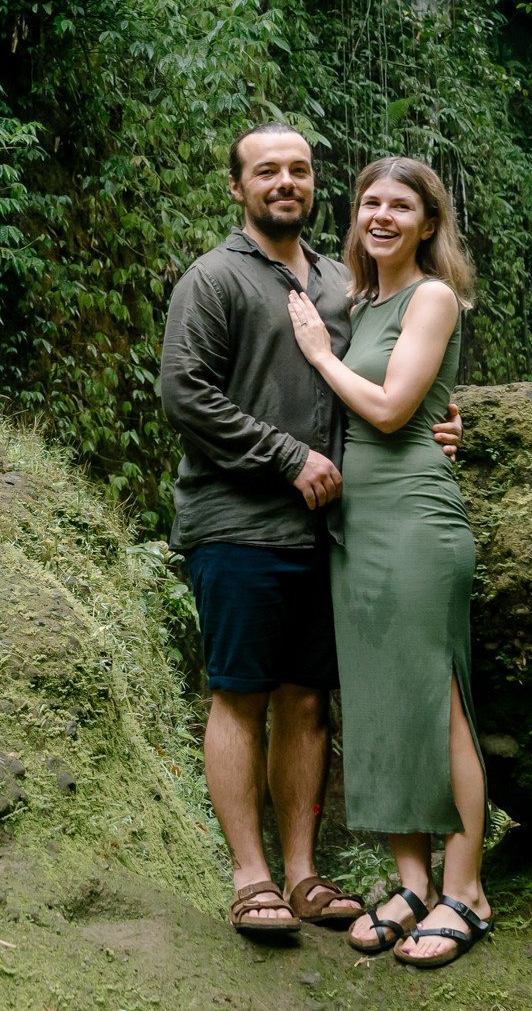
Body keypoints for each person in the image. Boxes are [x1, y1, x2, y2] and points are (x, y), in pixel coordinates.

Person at [161, 125, 460, 935]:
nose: (285, 182)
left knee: (307, 702)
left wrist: (439, 421)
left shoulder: (342, 284)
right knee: (239, 694)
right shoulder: (214, 277)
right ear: (238, 187)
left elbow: (383, 380)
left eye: (298, 169)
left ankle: (302, 872)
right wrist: (288, 455)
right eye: (267, 172)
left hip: (332, 532)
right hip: (237, 523)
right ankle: (250, 875)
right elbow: (185, 394)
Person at [286, 155, 491, 969]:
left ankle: (465, 888)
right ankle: (412, 880)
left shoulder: (431, 296)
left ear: (428, 223)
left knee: (437, 701)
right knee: (379, 700)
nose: (381, 215)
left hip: (414, 519)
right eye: (369, 201)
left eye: (400, 205)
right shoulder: (354, 299)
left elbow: (391, 405)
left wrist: (317, 352)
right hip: (356, 526)